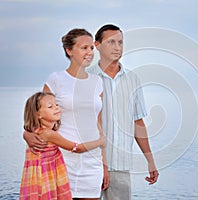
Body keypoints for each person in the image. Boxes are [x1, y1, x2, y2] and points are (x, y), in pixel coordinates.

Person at [23, 28, 109, 199]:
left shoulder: (98, 82)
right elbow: (38, 112)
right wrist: (26, 133)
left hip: (92, 161)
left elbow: (98, 123)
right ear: (69, 51)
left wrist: (104, 164)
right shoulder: (56, 79)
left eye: (91, 48)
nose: (90, 52)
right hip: (62, 160)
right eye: (84, 48)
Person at [87, 24, 159, 200]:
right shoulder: (85, 78)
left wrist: (150, 160)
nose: (117, 47)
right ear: (97, 45)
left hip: (121, 164)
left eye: (120, 42)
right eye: (111, 42)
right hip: (89, 164)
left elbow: (137, 122)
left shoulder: (133, 79)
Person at [19, 92, 105, 200]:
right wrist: (100, 141)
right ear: (38, 114)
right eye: (50, 106)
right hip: (43, 180)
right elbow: (77, 148)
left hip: (39, 177)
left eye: (57, 104)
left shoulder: (36, 131)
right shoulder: (48, 134)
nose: (56, 108)